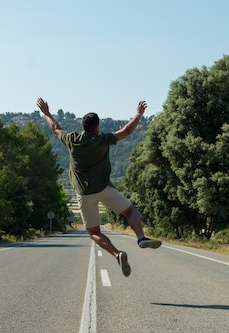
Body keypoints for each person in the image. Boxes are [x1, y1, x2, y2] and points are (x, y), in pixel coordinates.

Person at [37, 97, 161, 276]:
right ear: (96, 127)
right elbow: (126, 131)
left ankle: (117, 254)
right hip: (104, 188)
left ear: (83, 126)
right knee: (131, 212)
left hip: (84, 194)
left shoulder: (72, 139)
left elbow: (55, 128)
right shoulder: (103, 139)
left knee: (94, 232)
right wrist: (138, 114)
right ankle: (141, 238)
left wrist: (47, 113)